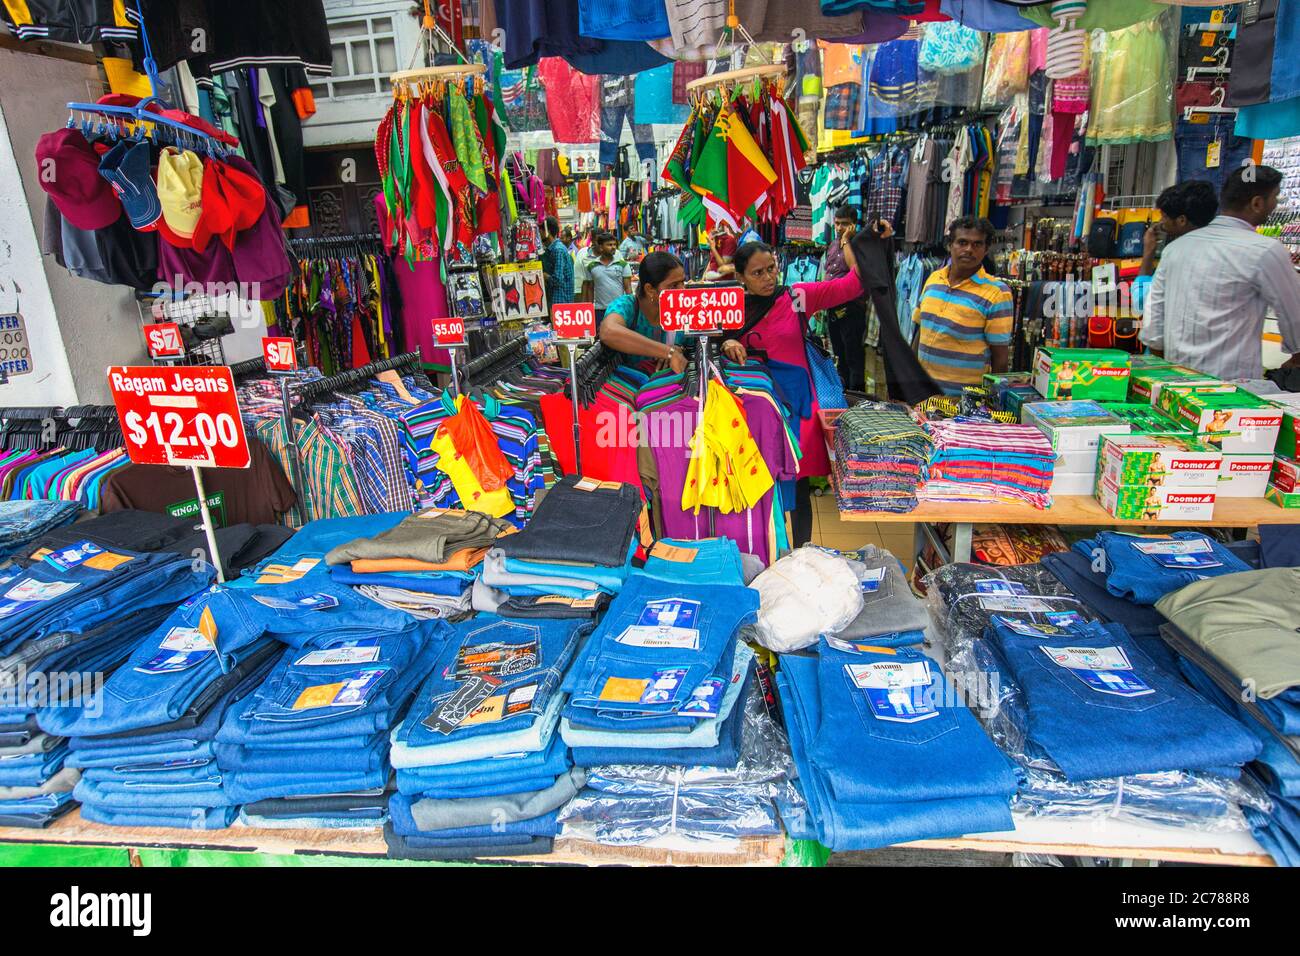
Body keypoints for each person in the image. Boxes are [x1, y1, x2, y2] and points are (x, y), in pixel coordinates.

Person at [720, 240, 865, 547]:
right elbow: (706, 344)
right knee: (758, 485)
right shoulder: (731, 307)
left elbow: (852, 286)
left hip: (798, 409)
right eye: (758, 273)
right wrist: (725, 344)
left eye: (771, 269)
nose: (768, 278)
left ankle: (802, 554)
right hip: (753, 410)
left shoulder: (796, 297)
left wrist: (853, 243)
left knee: (798, 489)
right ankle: (763, 553)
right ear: (741, 277)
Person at [1141, 164, 1300, 379]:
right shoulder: (1265, 251)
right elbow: (1295, 314)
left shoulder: (1174, 250)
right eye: (1275, 197)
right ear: (1257, 203)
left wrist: (1168, 371)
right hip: (1231, 390)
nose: (1276, 204)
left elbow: (1154, 324)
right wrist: (1295, 359)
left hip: (1176, 386)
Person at [913, 216, 1014, 396]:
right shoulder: (934, 279)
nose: (969, 249)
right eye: (962, 242)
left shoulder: (997, 293)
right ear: (950, 245)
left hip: (962, 403)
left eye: (977, 244)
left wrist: (992, 403)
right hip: (921, 395)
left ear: (986, 249)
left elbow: (1000, 358)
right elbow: (921, 331)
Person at [597, 251, 689, 374]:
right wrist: (667, 352)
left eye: (683, 282)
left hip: (672, 389)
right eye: (673, 286)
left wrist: (678, 348)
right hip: (630, 389)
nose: (682, 290)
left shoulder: (685, 310)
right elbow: (608, 331)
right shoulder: (627, 306)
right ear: (650, 289)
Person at [823, 205, 869, 391]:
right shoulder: (832, 245)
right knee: (839, 354)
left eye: (844, 224)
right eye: (837, 223)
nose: (840, 227)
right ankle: (844, 394)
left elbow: (854, 270)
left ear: (854, 225)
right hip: (833, 306)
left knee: (853, 357)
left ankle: (857, 396)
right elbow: (829, 272)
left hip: (851, 308)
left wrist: (846, 241)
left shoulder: (858, 244)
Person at [1139, 180, 1218, 277]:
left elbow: (1142, 291)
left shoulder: (1173, 253)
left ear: (1182, 220)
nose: (1161, 221)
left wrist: (1148, 252)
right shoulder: (1219, 250)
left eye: (1164, 216)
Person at [580, 230, 632, 320]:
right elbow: (590, 288)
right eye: (609, 245)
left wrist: (631, 307)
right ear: (601, 247)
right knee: (600, 333)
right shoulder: (592, 266)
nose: (613, 247)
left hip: (619, 309)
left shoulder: (623, 264)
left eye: (614, 245)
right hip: (599, 310)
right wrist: (589, 309)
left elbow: (628, 288)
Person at [541, 215, 574, 305]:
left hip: (560, 301)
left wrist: (544, 275)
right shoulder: (555, 248)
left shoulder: (557, 250)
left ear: (547, 232)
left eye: (540, 231)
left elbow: (557, 280)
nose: (539, 234)